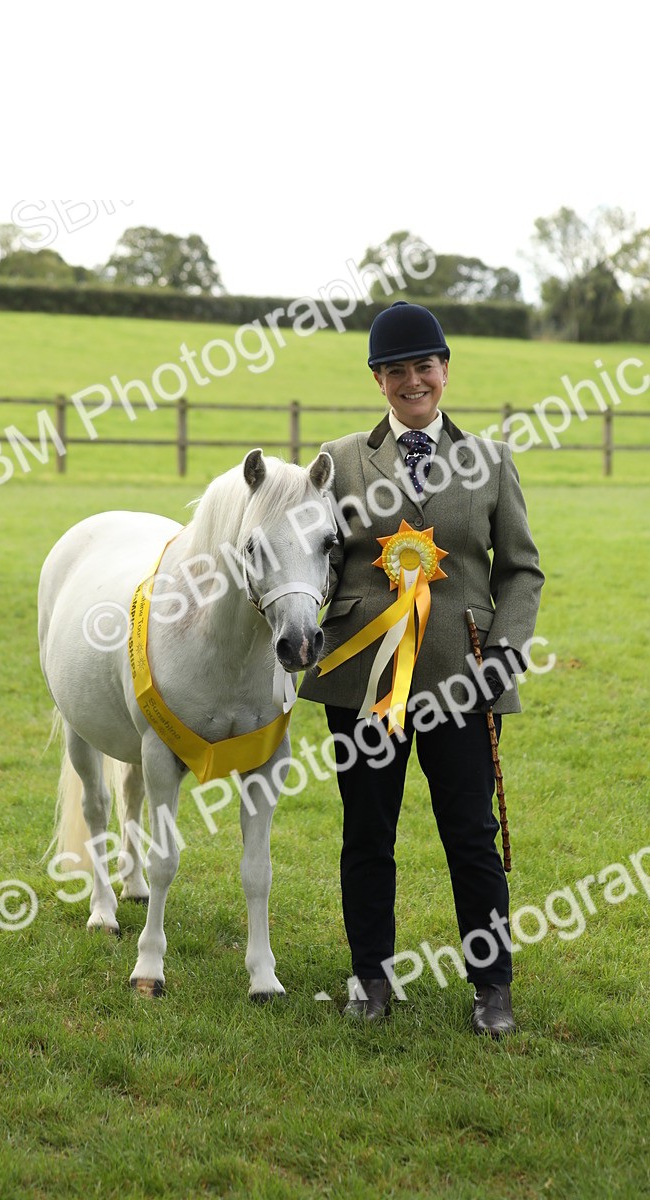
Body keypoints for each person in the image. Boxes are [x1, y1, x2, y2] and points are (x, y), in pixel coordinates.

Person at [299, 301, 544, 1036]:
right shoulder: (340, 461)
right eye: (397, 369)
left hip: (463, 676)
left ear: (445, 370)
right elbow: (318, 558)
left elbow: (522, 570)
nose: (414, 380)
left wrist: (504, 650)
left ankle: (491, 986)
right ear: (378, 379)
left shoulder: (492, 461)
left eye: (424, 366)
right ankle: (370, 978)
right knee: (367, 832)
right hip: (363, 681)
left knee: (469, 834)